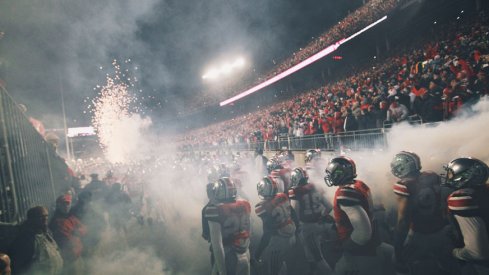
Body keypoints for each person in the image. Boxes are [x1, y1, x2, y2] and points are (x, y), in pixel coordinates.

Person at [324, 156, 394, 275]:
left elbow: (363, 234)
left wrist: (346, 249)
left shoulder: (345, 193)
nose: (330, 176)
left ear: (341, 174)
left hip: (362, 253)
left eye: (333, 173)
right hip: (373, 243)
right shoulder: (359, 184)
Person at [390, 151, 453, 274]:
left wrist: (397, 248)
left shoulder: (403, 185)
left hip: (420, 234)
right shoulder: (432, 175)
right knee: (448, 266)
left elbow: (403, 221)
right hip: (441, 230)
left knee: (400, 265)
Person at [444, 157, 489, 275]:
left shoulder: (462, 198)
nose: (448, 176)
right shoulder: (484, 191)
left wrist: (455, 252)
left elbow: (477, 252)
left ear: (464, 176)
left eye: (451, 173)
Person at [288, 167, 335, 274]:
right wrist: (322, 217)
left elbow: (295, 212)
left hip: (308, 227)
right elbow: (329, 206)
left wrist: (296, 229)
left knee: (317, 257)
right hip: (320, 223)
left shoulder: (296, 191)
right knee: (310, 254)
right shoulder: (316, 186)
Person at [204, 177, 251, 275]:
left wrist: (222, 271)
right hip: (245, 252)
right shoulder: (245, 204)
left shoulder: (215, 210)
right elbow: (248, 232)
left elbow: (217, 244)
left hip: (228, 256)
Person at [254, 176, 296, 275]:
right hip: (292, 235)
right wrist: (297, 230)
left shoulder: (262, 206)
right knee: (284, 264)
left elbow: (267, 232)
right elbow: (293, 214)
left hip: (278, 241)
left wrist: (258, 252)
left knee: (274, 271)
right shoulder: (282, 196)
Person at [9, 206, 63, 275]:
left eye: (46, 216)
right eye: (41, 216)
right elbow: (17, 266)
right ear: (32, 219)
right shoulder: (25, 240)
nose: (45, 219)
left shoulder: (47, 233)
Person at [49, 194, 87, 275]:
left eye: (68, 204)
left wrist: (77, 232)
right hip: (69, 260)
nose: (66, 206)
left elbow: (84, 229)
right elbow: (66, 239)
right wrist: (76, 233)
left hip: (78, 256)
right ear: (58, 205)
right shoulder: (56, 221)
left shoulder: (71, 217)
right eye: (63, 204)